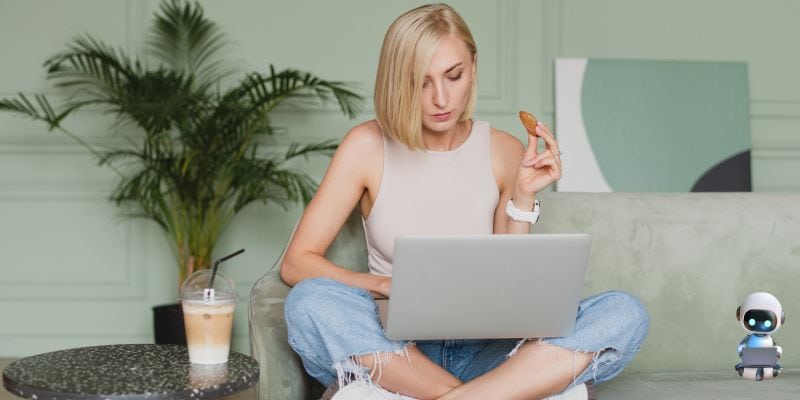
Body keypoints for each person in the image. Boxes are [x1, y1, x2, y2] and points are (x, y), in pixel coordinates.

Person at [279, 3, 649, 399]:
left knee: (625, 313)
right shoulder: (366, 146)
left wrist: (523, 197)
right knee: (307, 304)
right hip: (398, 350)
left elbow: (513, 286)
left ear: (473, 66)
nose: (441, 98)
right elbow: (297, 263)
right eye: (421, 82)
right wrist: (387, 284)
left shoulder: (503, 150)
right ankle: (500, 393)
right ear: (397, 82)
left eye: (453, 76)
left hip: (489, 351)